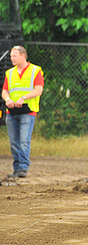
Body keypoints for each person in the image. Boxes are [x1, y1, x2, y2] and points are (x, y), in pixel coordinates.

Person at [2, 45, 44, 179]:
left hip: (28, 111)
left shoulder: (35, 71)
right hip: (12, 111)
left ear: (23, 56)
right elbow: (4, 90)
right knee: (14, 142)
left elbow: (38, 90)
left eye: (14, 56)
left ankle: (23, 168)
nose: (11, 58)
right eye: (11, 56)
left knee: (24, 140)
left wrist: (24, 98)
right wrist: (7, 99)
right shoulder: (9, 73)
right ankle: (17, 168)